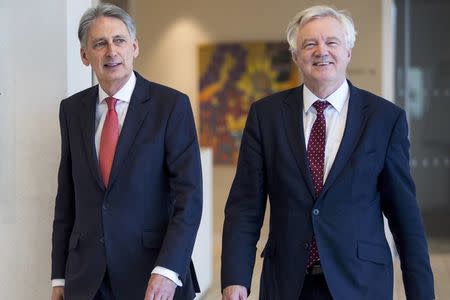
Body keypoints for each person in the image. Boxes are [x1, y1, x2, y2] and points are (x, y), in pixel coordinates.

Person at [221, 5, 434, 300]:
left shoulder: (385, 119)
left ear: (348, 51)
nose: (321, 51)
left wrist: (421, 294)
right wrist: (235, 280)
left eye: (332, 42)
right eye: (309, 44)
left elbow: (405, 217)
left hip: (361, 283)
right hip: (287, 283)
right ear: (296, 56)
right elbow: (244, 207)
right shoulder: (265, 116)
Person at [50, 3, 202, 300]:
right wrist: (59, 277)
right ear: (84, 55)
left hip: (152, 276)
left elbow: (189, 197)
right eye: (99, 43)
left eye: (119, 41)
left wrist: (169, 270)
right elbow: (67, 198)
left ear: (134, 47)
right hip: (86, 279)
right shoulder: (71, 110)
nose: (111, 52)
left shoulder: (170, 106)